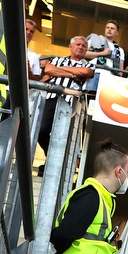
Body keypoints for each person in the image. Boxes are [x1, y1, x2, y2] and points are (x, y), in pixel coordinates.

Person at [36, 36, 94, 175]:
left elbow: (86, 73)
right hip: (52, 98)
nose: (81, 47)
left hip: (71, 102)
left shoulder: (87, 65)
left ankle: (51, 165)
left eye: (84, 46)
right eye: (78, 44)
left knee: (62, 136)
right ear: (71, 46)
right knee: (42, 130)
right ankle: (51, 158)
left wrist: (59, 70)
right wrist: (74, 75)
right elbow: (49, 69)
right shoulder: (56, 59)